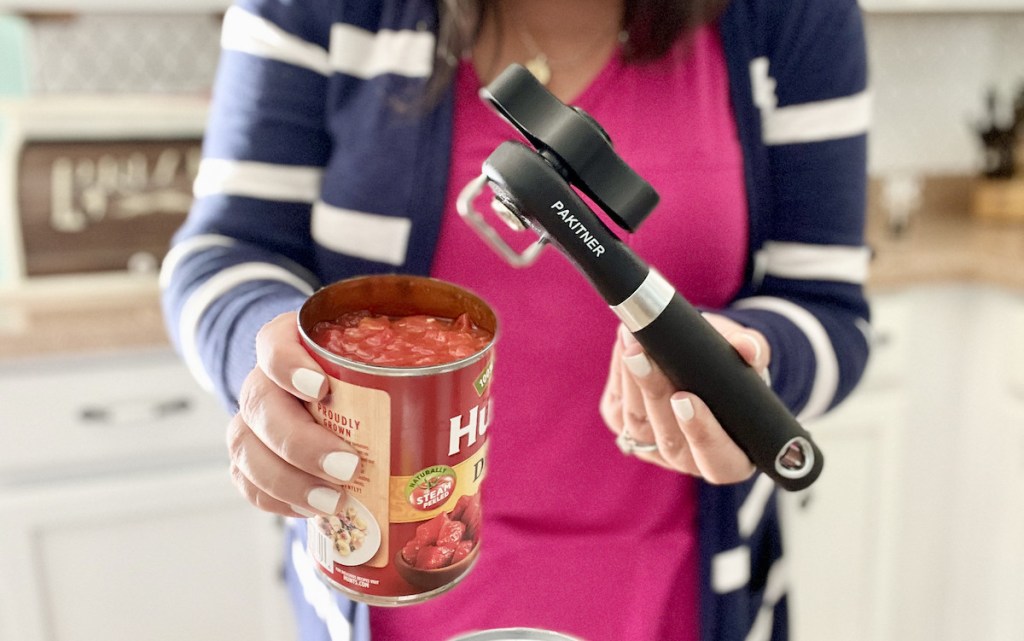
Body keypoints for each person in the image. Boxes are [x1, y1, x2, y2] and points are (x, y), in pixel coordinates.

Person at [160, 0, 873, 639]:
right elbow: (223, 250)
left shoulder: (792, 14)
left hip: (680, 597)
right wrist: (269, 361)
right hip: (386, 599)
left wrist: (749, 361)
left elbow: (831, 310)